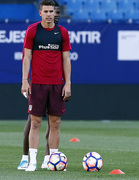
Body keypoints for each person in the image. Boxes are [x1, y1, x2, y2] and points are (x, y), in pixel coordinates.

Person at [20, 0, 71, 171]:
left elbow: (66, 59)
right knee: (35, 123)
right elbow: (26, 57)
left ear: (55, 12)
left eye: (52, 11)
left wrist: (68, 83)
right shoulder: (33, 31)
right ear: (40, 13)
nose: (49, 14)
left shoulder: (62, 32)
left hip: (57, 84)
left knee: (55, 123)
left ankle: (51, 160)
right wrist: (25, 81)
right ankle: (32, 161)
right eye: (46, 11)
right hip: (38, 84)